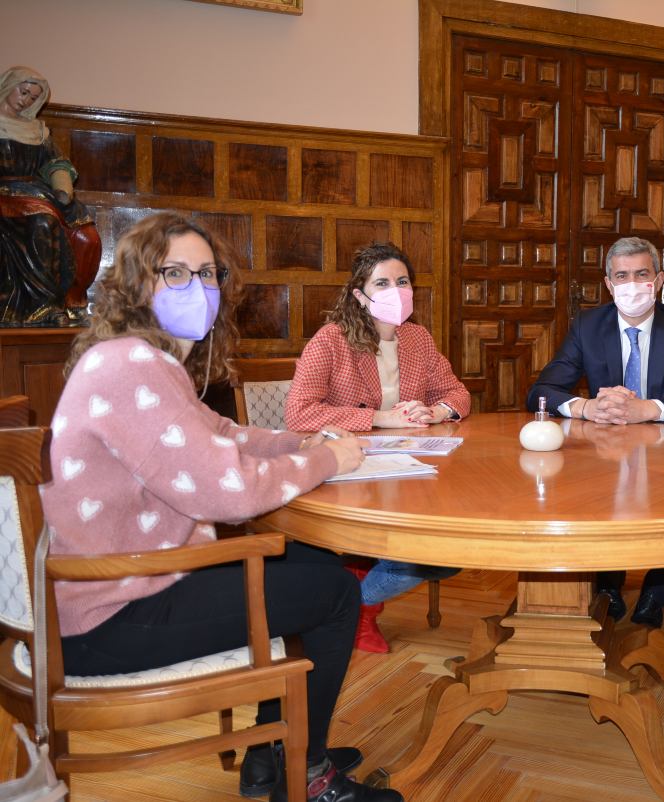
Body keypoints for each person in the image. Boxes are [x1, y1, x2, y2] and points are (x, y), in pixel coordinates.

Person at [41, 213, 401, 802]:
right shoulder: (133, 366)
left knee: (309, 565)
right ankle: (306, 776)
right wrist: (328, 461)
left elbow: (225, 434)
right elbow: (227, 490)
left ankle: (271, 753)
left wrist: (301, 442)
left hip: (121, 588)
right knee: (335, 594)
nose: (199, 288)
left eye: (208, 274)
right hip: (110, 613)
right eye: (176, 273)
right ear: (137, 284)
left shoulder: (140, 361)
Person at [525, 236, 664, 628]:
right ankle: (607, 588)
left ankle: (658, 591)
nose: (632, 284)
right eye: (622, 275)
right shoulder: (588, 325)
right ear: (608, 284)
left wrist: (649, 409)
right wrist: (587, 407)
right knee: (600, 495)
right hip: (604, 454)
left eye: (642, 274)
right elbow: (541, 391)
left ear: (659, 279)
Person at [286, 242, 467, 653]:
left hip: (412, 469)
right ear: (359, 294)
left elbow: (458, 394)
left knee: (450, 555)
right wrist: (379, 419)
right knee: (431, 556)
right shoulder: (331, 340)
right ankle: (360, 608)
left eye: (402, 282)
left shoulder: (417, 338)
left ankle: (355, 593)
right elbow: (299, 413)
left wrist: (434, 411)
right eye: (382, 283)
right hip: (353, 470)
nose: (395, 291)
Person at [0, 66, 100, 324]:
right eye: (23, 92)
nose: (26, 100)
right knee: (42, 221)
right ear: (9, 86)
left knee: (82, 234)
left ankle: (61, 302)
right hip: (5, 195)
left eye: (33, 98)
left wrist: (63, 188)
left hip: (34, 193)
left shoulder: (37, 131)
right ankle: (42, 304)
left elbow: (56, 162)